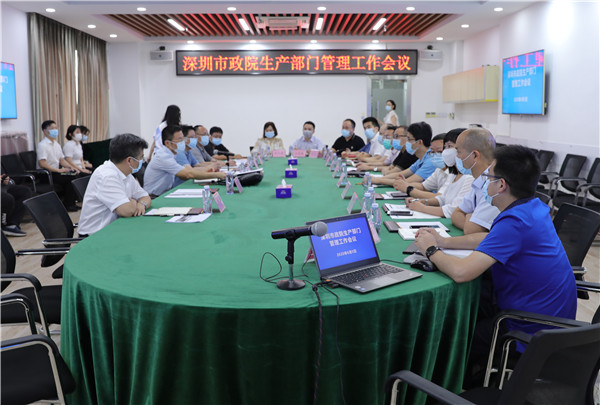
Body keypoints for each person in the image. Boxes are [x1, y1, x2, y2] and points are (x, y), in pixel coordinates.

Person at [415, 145, 577, 384]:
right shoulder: (532, 208)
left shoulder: (515, 221)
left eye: (488, 177)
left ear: (501, 185)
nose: (484, 182)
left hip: (527, 329)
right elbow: (488, 240)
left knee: (452, 335)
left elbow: (460, 272)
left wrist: (430, 250)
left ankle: (448, 388)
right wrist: (443, 241)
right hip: (546, 320)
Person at [77, 134, 152, 237]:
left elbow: (146, 197)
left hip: (114, 229)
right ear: (129, 160)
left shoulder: (125, 172)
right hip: (95, 236)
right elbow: (126, 211)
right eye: (141, 157)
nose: (142, 161)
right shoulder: (107, 176)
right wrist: (135, 202)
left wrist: (141, 204)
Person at [405, 129, 474, 218]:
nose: (446, 151)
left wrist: (422, 207)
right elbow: (443, 198)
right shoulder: (453, 174)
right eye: (445, 147)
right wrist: (423, 201)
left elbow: (452, 210)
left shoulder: (470, 177)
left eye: (450, 146)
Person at [143, 125, 225, 197]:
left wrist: (210, 170)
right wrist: (215, 175)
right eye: (180, 139)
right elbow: (188, 173)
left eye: (183, 139)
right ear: (168, 143)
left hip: (166, 192)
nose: (183, 142)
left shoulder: (173, 152)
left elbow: (193, 168)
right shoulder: (163, 157)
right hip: (155, 197)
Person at [370, 121, 435, 186]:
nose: (407, 142)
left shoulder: (430, 161)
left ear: (419, 142)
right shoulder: (421, 159)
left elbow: (406, 182)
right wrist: (377, 179)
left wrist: (378, 180)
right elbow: (401, 174)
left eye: (409, 139)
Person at [37, 120, 81, 211]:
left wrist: (71, 167)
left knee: (74, 174)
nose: (55, 130)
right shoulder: (42, 145)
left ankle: (72, 202)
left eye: (56, 128)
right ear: (44, 131)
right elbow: (42, 163)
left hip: (56, 173)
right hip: (46, 174)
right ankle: (68, 204)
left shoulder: (56, 144)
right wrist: (59, 170)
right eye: (52, 128)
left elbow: (62, 160)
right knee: (69, 178)